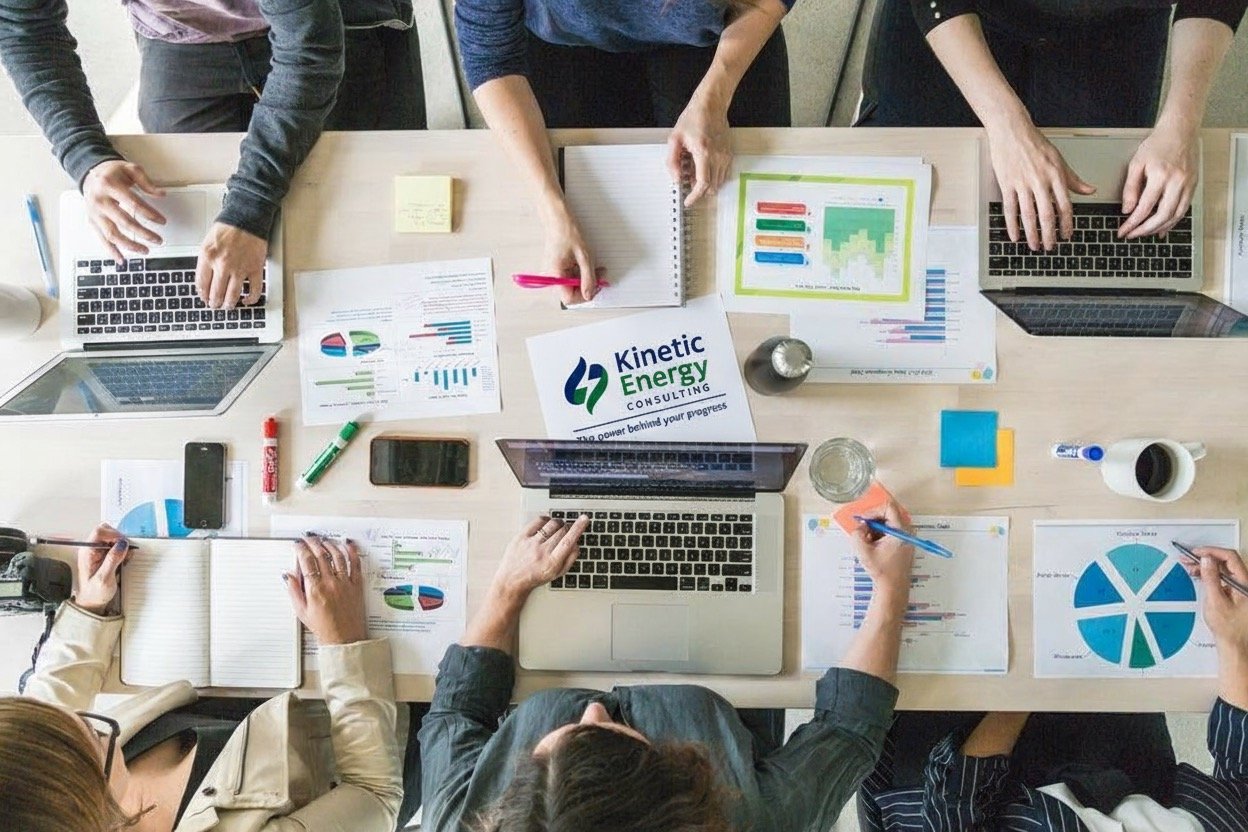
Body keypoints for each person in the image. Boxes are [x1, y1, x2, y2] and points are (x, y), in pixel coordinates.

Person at [419, 502, 914, 831]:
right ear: (678, 785)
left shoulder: (461, 818)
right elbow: (850, 727)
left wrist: (509, 589)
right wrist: (891, 588)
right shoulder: (752, 822)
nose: (593, 710)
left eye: (545, 751)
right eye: (613, 733)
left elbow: (457, 713)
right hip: (730, 684)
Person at [0, 0, 422, 312]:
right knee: (193, 242)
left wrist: (248, 208)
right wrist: (85, 156)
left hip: (332, 16)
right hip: (181, 31)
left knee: (371, 220)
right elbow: (25, 30)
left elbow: (310, 50)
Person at [1, 523, 423, 831]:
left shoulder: (31, 784)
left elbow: (49, 704)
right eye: (95, 739)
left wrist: (90, 606)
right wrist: (344, 645)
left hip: (270, 694)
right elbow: (373, 794)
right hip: (376, 736)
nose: (96, 725)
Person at [858, 544, 1248, 831]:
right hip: (1115, 776)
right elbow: (1240, 781)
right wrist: (1235, 642)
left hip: (952, 785)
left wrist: (1029, 688)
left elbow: (954, 802)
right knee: (1130, 660)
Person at [454, 0, 795, 304]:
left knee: (745, 244)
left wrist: (715, 97)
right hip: (562, 38)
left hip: (715, 34)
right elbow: (490, 55)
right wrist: (552, 210)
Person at [858, 0, 1247, 253]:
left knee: (1087, 234)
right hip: (957, 14)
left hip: (1114, 26)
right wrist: (1008, 125)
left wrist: (1180, 125)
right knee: (900, 218)